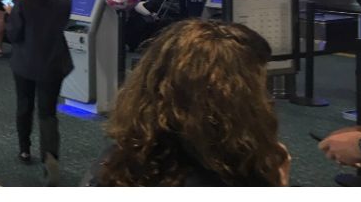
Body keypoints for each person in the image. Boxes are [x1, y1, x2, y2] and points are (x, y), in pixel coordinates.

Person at [92, 20, 291, 186]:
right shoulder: (234, 176)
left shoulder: (119, 160)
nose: (267, 99)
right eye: (258, 87)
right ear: (234, 98)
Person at [4, 0, 73, 185]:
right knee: (48, 112)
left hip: (24, 62)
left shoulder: (22, 4)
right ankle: (50, 155)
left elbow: (14, 35)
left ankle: (25, 150)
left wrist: (10, 15)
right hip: (53, 63)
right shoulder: (64, 2)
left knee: (24, 105)